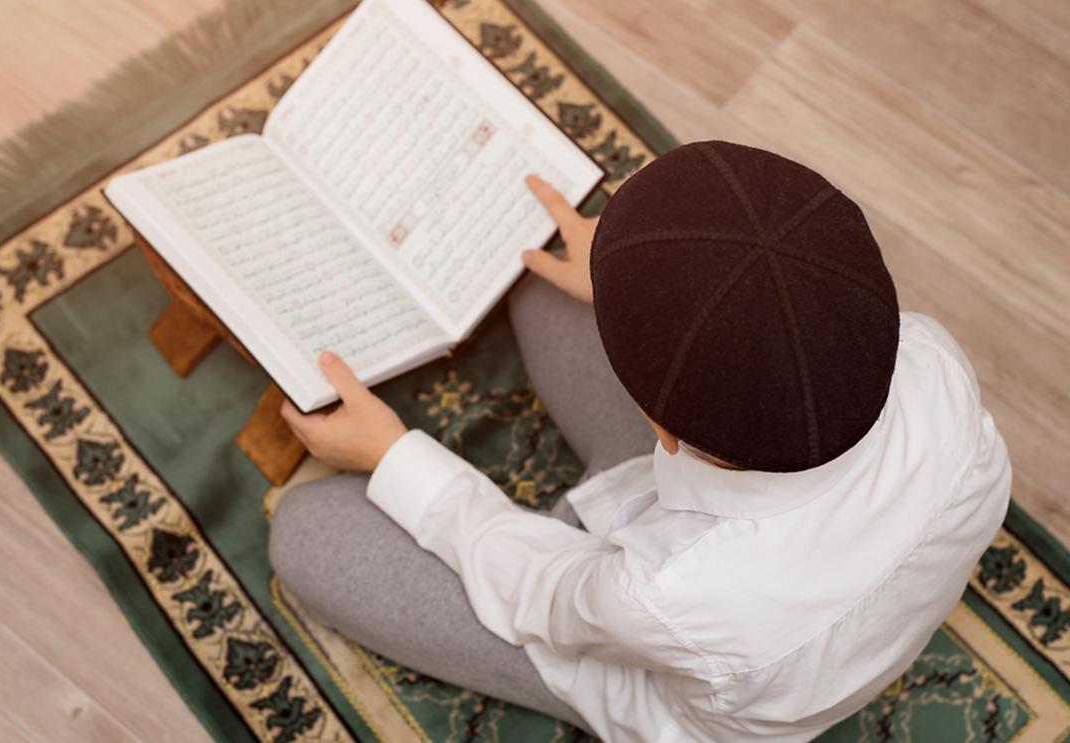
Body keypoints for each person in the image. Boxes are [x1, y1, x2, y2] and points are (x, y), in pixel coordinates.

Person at [270, 141, 1012, 743]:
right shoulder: (932, 357)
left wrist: (393, 455)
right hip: (727, 600)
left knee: (304, 536)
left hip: (658, 668)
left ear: (660, 425)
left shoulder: (675, 593)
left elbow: (540, 592)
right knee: (531, 266)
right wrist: (648, 283)